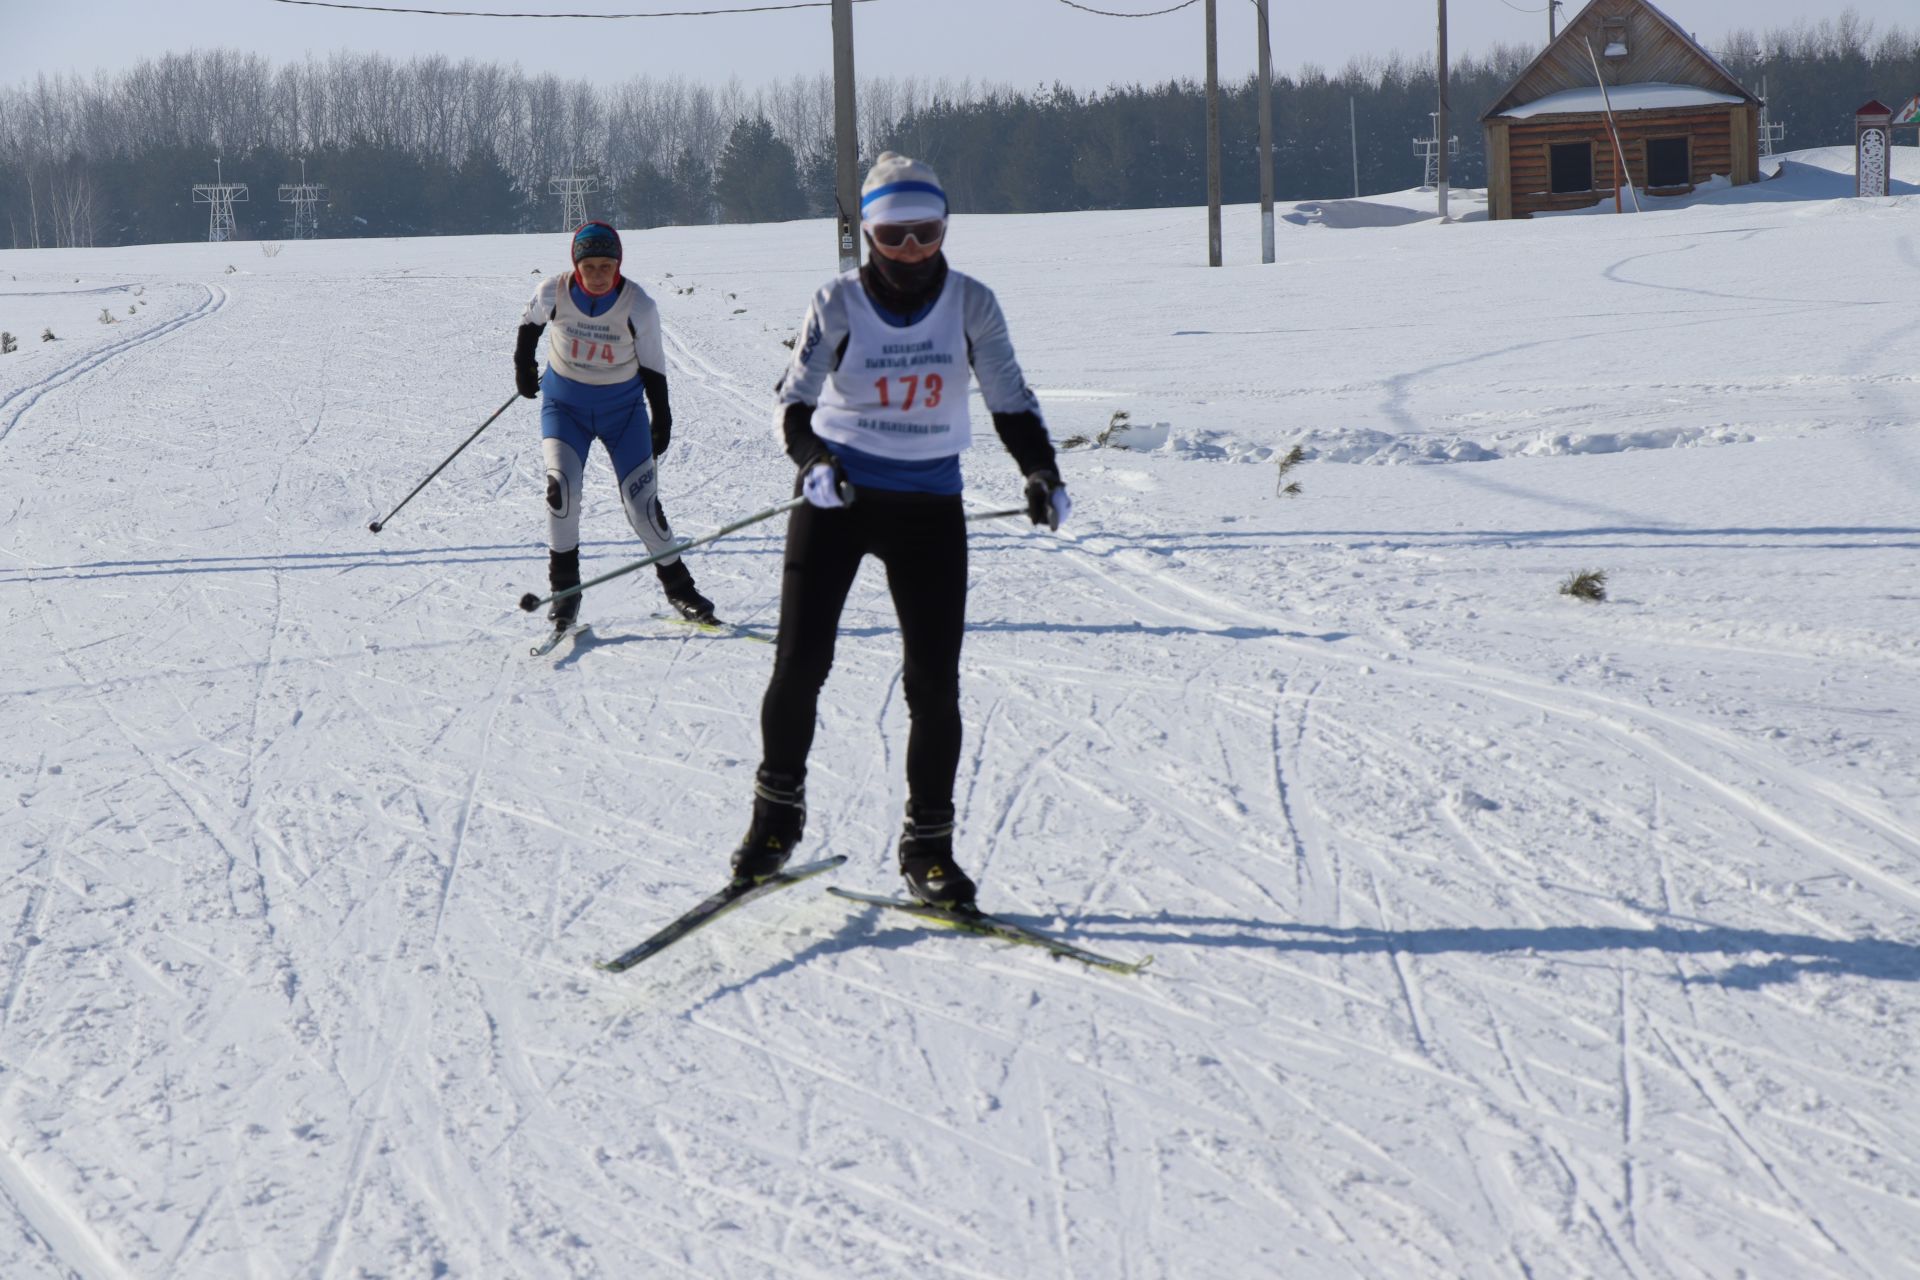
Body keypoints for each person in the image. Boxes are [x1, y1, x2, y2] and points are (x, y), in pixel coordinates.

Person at [730, 153, 1070, 907]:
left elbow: (1011, 399)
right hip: (838, 498)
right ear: (868, 234)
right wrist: (813, 459)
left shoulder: (973, 303)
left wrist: (1041, 472)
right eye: (894, 236)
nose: (913, 251)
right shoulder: (837, 303)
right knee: (800, 662)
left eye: (927, 233)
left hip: (928, 507)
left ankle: (929, 849)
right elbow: (792, 402)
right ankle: (775, 822)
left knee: (933, 686)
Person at [514, 221, 714, 635]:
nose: (600, 274)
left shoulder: (638, 306)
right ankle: (564, 594)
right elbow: (529, 325)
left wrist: (662, 418)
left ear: (619, 265)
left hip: (622, 414)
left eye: (608, 265)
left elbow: (654, 369)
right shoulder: (553, 291)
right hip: (564, 409)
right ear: (576, 264)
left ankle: (681, 590)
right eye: (591, 265)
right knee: (560, 493)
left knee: (642, 505)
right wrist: (523, 365)